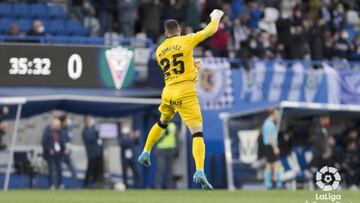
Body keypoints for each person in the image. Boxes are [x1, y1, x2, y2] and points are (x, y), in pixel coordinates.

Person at [138, 9, 225, 190]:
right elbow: (211, 30)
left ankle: (146, 151)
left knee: (162, 122)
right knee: (197, 132)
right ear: (180, 30)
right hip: (185, 90)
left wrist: (193, 64)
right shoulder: (186, 40)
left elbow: (174, 63)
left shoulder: (159, 50)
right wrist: (215, 16)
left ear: (165, 33)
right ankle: (200, 170)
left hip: (168, 91)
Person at [42, 118, 65, 189]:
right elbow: (44, 142)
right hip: (50, 154)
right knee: (52, 169)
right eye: (57, 125)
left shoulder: (61, 132)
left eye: (59, 125)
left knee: (59, 169)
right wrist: (49, 149)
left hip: (59, 154)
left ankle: (60, 184)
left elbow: (63, 142)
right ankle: (51, 185)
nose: (58, 126)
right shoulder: (47, 131)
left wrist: (62, 149)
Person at [262, 109, 282, 189]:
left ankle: (268, 184)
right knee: (276, 164)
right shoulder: (269, 123)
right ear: (273, 114)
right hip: (270, 146)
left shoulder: (267, 122)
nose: (277, 116)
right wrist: (275, 147)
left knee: (269, 165)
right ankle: (278, 183)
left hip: (268, 146)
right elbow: (270, 137)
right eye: (277, 114)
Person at [82, 115, 103, 187]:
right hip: (91, 154)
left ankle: (94, 183)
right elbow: (91, 138)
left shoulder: (92, 129)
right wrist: (95, 131)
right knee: (90, 170)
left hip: (97, 153)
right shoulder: (85, 131)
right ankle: (86, 184)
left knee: (96, 170)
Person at [155, 122, 177, 189]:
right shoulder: (159, 125)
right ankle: (158, 187)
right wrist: (164, 134)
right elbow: (155, 139)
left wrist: (176, 150)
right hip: (161, 150)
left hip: (171, 149)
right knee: (160, 168)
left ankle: (170, 187)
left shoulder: (173, 125)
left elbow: (176, 138)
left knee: (170, 170)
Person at [119, 120, 140, 188]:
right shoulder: (121, 136)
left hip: (132, 157)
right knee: (125, 173)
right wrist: (131, 138)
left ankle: (137, 186)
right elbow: (123, 144)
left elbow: (137, 143)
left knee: (136, 171)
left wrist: (136, 137)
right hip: (124, 158)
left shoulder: (130, 135)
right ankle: (126, 186)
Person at [59, 114, 77, 187]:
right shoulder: (60, 131)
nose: (68, 122)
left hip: (67, 154)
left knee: (74, 170)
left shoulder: (68, 130)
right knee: (59, 171)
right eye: (66, 120)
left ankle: (73, 187)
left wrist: (69, 148)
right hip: (61, 154)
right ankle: (60, 185)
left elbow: (69, 141)